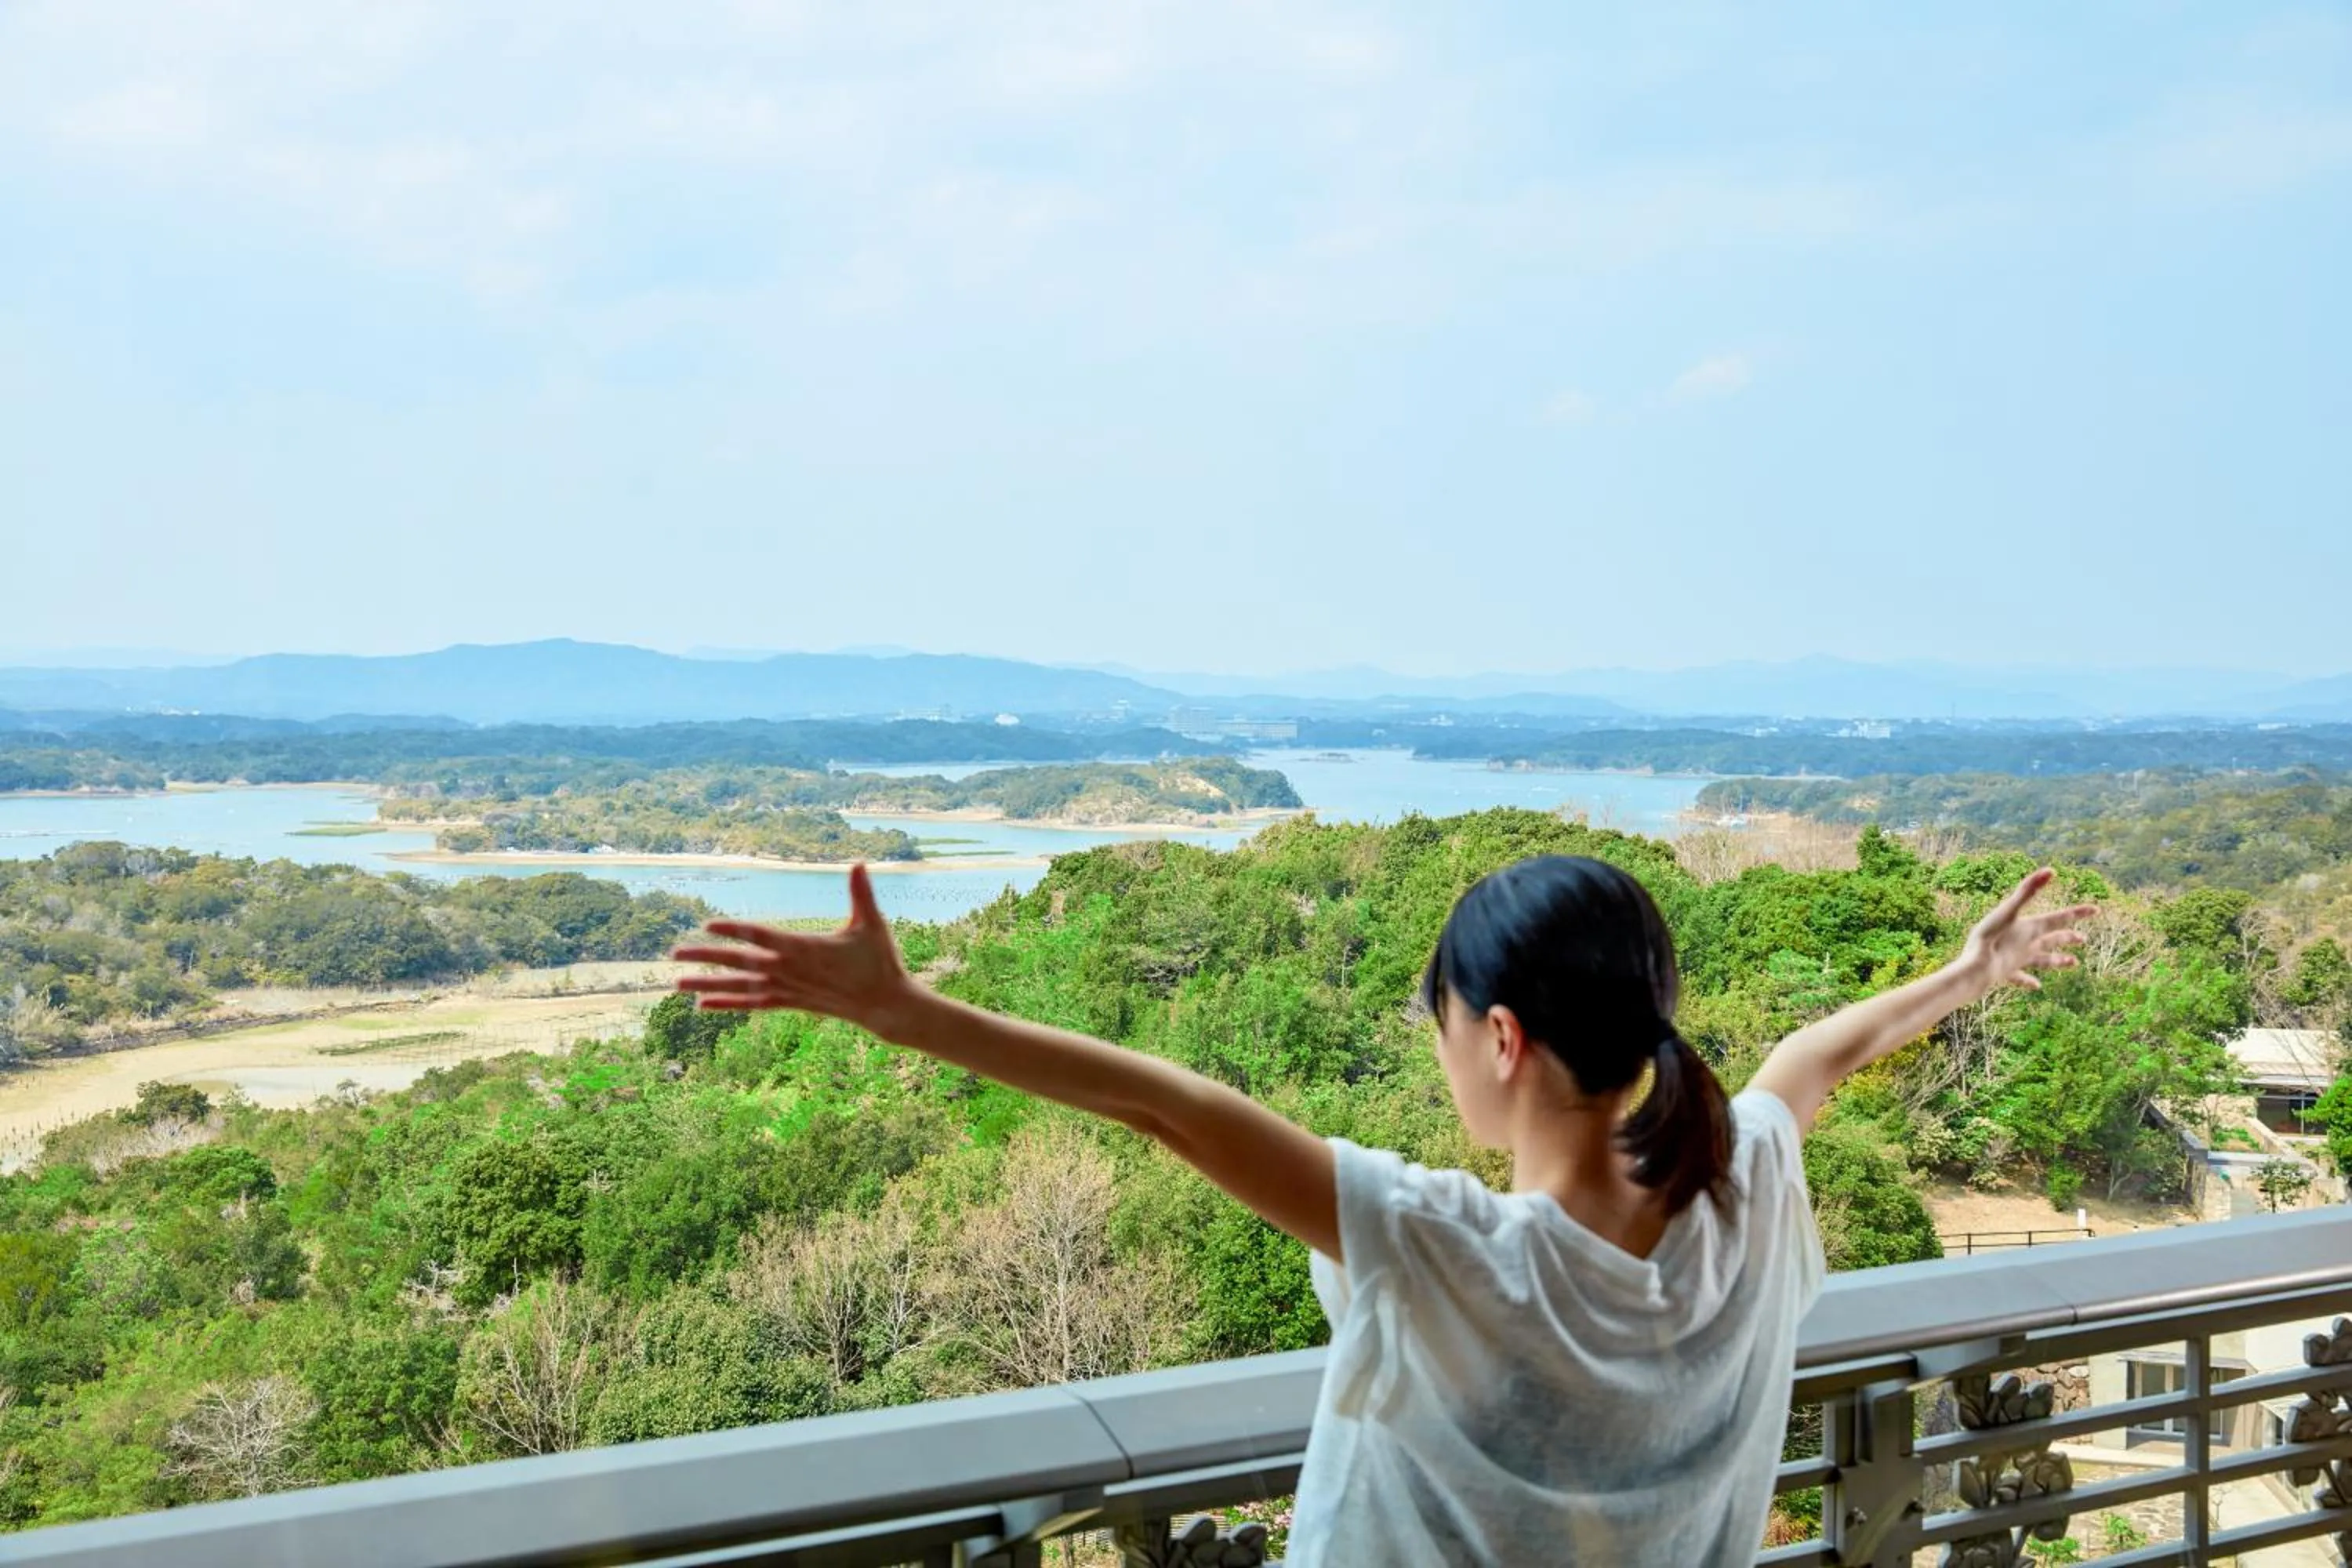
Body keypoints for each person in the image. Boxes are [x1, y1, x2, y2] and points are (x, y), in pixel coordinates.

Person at [673, 855, 2092, 1565]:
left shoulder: (1450, 1254)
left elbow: (1169, 1107)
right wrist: (1965, 975)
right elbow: (1818, 1056)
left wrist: (906, 1013)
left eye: (1442, 1018)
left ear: (1503, 1039)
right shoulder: (1748, 1200)